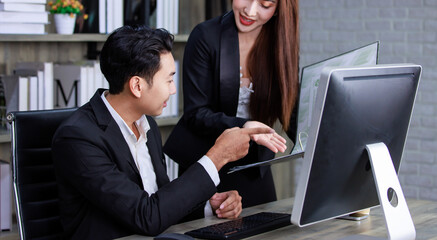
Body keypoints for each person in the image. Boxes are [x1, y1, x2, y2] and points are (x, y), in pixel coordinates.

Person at [52, 25, 278, 239]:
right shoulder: (78, 138)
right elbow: (146, 216)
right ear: (137, 86)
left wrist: (211, 207)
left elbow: (161, 205)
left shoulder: (146, 123)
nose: (173, 90)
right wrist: (218, 156)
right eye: (169, 79)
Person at [164, 0, 300, 208]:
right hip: (210, 163)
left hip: (255, 167)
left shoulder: (281, 45)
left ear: (278, 10)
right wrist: (244, 126)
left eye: (265, 5)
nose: (250, 10)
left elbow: (291, 110)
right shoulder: (205, 36)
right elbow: (196, 113)